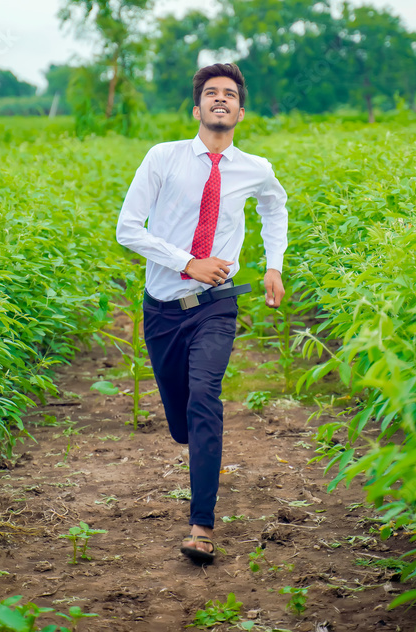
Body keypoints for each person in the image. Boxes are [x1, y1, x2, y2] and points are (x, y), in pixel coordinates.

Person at [115, 62, 288, 563]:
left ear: (240, 111)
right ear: (197, 109)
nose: (220, 99)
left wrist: (273, 265)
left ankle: (201, 526)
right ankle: (194, 440)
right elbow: (128, 229)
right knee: (182, 422)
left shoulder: (256, 168)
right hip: (164, 309)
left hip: (216, 305)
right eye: (211, 92)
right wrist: (187, 262)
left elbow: (274, 208)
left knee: (205, 400)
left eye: (229, 93)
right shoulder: (163, 158)